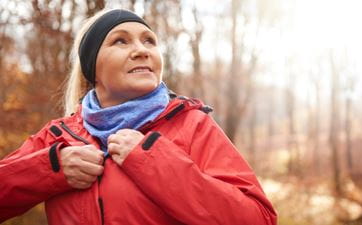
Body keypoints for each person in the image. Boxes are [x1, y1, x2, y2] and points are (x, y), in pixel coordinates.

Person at [0, 8, 277, 225]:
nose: (142, 50)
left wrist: (153, 162)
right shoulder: (57, 136)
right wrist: (50, 169)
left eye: (149, 41)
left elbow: (258, 219)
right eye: (120, 41)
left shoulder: (193, 125)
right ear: (92, 69)